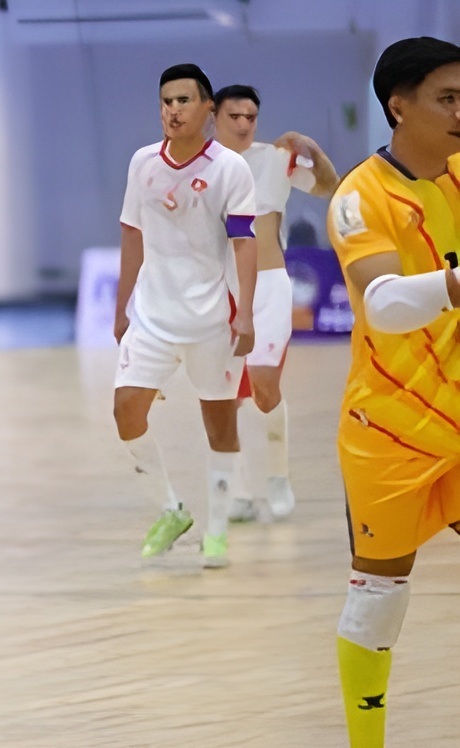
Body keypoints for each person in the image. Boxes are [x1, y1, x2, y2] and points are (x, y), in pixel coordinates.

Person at [326, 36, 460, 748]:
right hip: (390, 426)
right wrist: (455, 284)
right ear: (398, 106)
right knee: (379, 597)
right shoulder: (359, 197)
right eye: (448, 98)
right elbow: (382, 304)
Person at [113, 64, 258, 570]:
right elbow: (132, 234)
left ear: (207, 110)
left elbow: (243, 243)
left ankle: (216, 531)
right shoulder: (142, 163)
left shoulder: (230, 169)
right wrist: (121, 307)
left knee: (219, 426)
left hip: (212, 320)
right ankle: (172, 510)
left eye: (182, 101)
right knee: (126, 411)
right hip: (152, 317)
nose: (172, 110)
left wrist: (246, 316)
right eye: (165, 102)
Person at [211, 84, 339, 522]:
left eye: (251, 117)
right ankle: (241, 490)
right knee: (226, 394)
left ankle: (278, 476)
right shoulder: (198, 166)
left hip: (267, 286)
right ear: (215, 118)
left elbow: (329, 187)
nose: (244, 125)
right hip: (218, 290)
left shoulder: (274, 159)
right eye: (235, 117)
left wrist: (312, 149)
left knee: (264, 389)